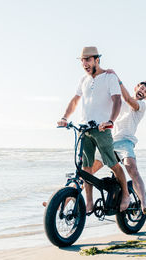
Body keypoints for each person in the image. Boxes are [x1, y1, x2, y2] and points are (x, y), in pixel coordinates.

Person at [57, 46, 131, 213]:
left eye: (88, 60)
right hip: (84, 129)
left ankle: (125, 193)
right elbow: (75, 100)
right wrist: (64, 118)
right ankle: (89, 202)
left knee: (112, 163)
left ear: (97, 60)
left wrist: (110, 121)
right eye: (82, 61)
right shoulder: (83, 80)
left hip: (102, 128)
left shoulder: (109, 77)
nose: (84, 63)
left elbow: (117, 100)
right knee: (86, 168)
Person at [91, 70, 146, 214]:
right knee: (88, 171)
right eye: (142, 88)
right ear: (136, 87)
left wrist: (117, 79)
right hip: (109, 141)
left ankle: (144, 204)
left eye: (145, 92)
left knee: (130, 166)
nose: (142, 92)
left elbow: (129, 99)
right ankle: (61, 202)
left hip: (125, 141)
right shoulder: (119, 103)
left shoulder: (140, 106)